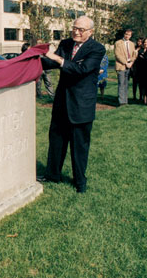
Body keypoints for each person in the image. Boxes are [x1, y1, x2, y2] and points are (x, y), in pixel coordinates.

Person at [36, 16, 106, 193]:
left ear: (90, 32)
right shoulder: (66, 44)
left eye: (81, 29)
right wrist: (34, 58)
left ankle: (80, 182)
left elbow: (81, 70)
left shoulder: (97, 48)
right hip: (61, 103)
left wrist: (59, 60)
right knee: (56, 141)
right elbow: (52, 61)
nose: (76, 31)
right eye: (74, 28)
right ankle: (52, 175)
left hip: (81, 105)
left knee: (79, 146)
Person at [114, 29, 137, 106]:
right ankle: (121, 102)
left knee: (126, 84)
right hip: (121, 66)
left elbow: (134, 55)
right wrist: (125, 63)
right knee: (121, 84)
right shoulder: (118, 43)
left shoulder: (132, 44)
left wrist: (131, 62)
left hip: (129, 66)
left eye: (129, 35)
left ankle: (125, 100)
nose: (127, 36)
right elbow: (117, 55)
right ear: (124, 34)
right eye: (126, 34)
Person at [136, 38, 147, 105]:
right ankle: (144, 99)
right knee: (142, 86)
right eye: (145, 42)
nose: (146, 43)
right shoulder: (140, 51)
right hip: (141, 71)